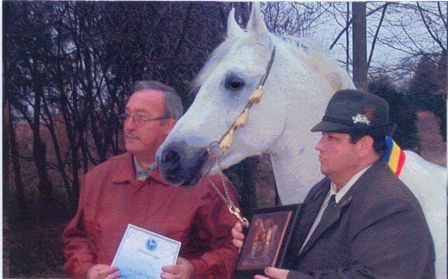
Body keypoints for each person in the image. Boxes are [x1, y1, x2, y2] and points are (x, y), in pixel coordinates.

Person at [232, 89, 435, 279]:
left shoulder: (392, 207)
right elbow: (303, 252)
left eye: (332, 138)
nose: (319, 146)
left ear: (364, 146)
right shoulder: (323, 191)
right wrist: (259, 243)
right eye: (322, 136)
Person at [63, 80, 239, 279]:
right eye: (127, 115)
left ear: (169, 125)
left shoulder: (205, 184)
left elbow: (234, 250)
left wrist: (195, 269)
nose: (129, 126)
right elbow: (78, 239)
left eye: (140, 118)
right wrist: (87, 270)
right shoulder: (98, 179)